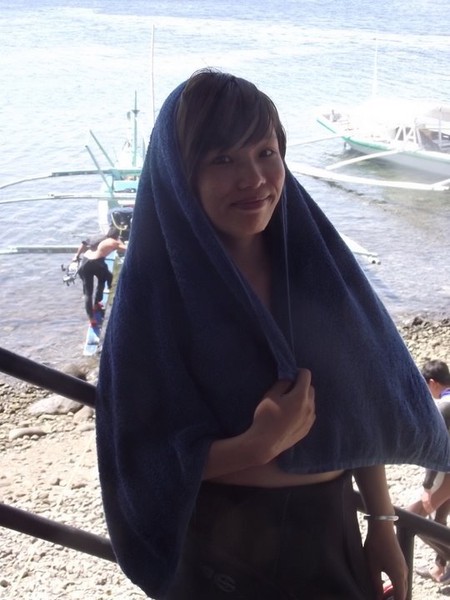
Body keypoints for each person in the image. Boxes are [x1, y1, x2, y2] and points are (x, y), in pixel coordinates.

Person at [95, 69, 450, 600]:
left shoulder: (311, 264)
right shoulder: (156, 293)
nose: (254, 178)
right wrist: (255, 446)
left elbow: (357, 402)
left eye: (265, 152)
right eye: (223, 159)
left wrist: (380, 521)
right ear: (180, 173)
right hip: (220, 542)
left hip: (330, 525)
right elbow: (137, 456)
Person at [409, 360, 450, 583]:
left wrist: (427, 486)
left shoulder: (443, 407)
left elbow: (436, 449)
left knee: (412, 518)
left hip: (447, 475)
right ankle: (439, 568)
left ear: (433, 383)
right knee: (440, 518)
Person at [72, 226, 126, 325]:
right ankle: (92, 315)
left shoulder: (97, 237)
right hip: (95, 263)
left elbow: (83, 244)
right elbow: (126, 249)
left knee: (102, 281)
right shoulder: (114, 241)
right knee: (93, 289)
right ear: (116, 236)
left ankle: (95, 307)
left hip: (87, 262)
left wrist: (77, 255)